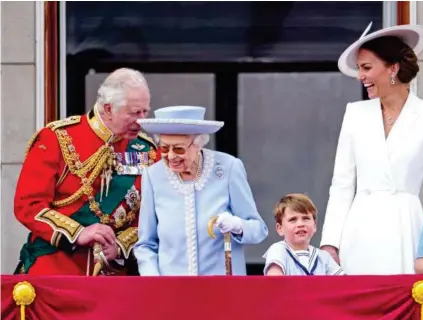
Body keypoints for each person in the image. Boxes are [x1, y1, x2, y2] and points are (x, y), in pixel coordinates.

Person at [319, 23, 423, 274]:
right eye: (359, 69)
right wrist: (330, 244)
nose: (361, 76)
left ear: (393, 68)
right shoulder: (355, 114)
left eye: (367, 68)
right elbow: (342, 184)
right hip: (359, 230)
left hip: (407, 229)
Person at [13, 68, 159, 275]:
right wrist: (78, 233)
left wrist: (119, 245)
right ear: (108, 108)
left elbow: (152, 217)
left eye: (145, 112)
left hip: (116, 274)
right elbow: (28, 205)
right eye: (135, 113)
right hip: (57, 268)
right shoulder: (57, 138)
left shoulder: (148, 151)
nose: (142, 120)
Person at [133, 105, 268, 276]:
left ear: (198, 144)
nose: (171, 156)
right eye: (165, 148)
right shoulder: (153, 175)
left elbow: (258, 230)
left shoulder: (228, 168)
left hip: (222, 289)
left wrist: (238, 225)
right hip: (172, 290)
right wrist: (153, 279)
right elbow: (146, 244)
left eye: (179, 149)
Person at [263, 193, 345, 276]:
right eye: (293, 220)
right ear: (280, 228)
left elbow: (344, 282)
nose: (300, 224)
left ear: (315, 225)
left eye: (306, 218)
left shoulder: (324, 257)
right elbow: (275, 281)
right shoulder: (278, 250)